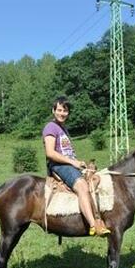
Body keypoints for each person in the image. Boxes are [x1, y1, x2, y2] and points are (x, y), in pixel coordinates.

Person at [42, 96, 110, 237]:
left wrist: (78, 163)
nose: (62, 113)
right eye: (59, 110)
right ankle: (94, 225)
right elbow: (50, 153)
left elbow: (67, 152)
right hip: (59, 165)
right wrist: (73, 162)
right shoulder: (51, 127)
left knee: (95, 179)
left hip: (68, 164)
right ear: (53, 111)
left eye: (65, 110)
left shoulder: (63, 129)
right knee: (82, 186)